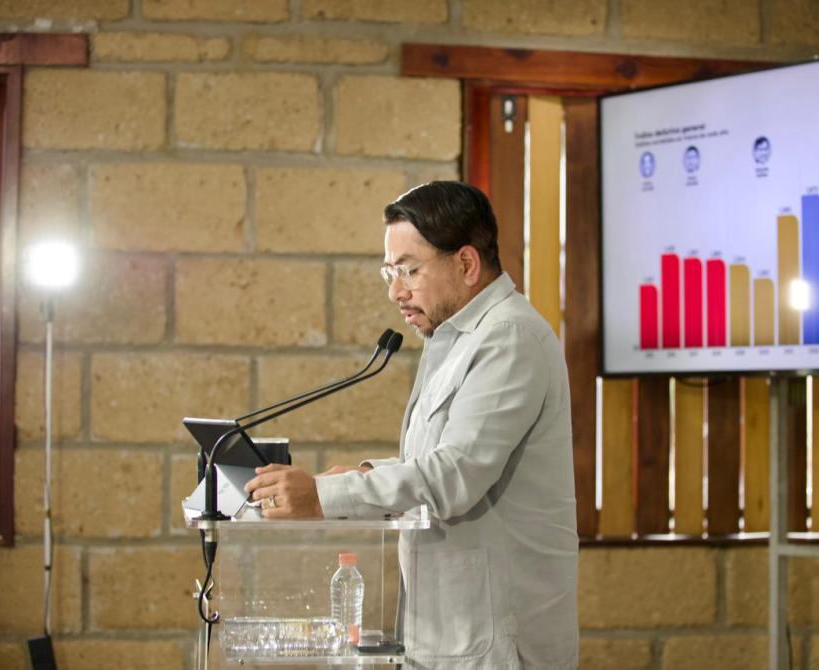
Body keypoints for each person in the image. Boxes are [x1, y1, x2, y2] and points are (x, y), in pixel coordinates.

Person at [245, 181, 580, 669]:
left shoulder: (509, 337)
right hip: (444, 641)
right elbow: (435, 463)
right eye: (389, 272)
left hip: (499, 648)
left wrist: (323, 498)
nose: (395, 292)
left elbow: (454, 477)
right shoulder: (455, 339)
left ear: (466, 264)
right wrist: (357, 475)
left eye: (409, 271)